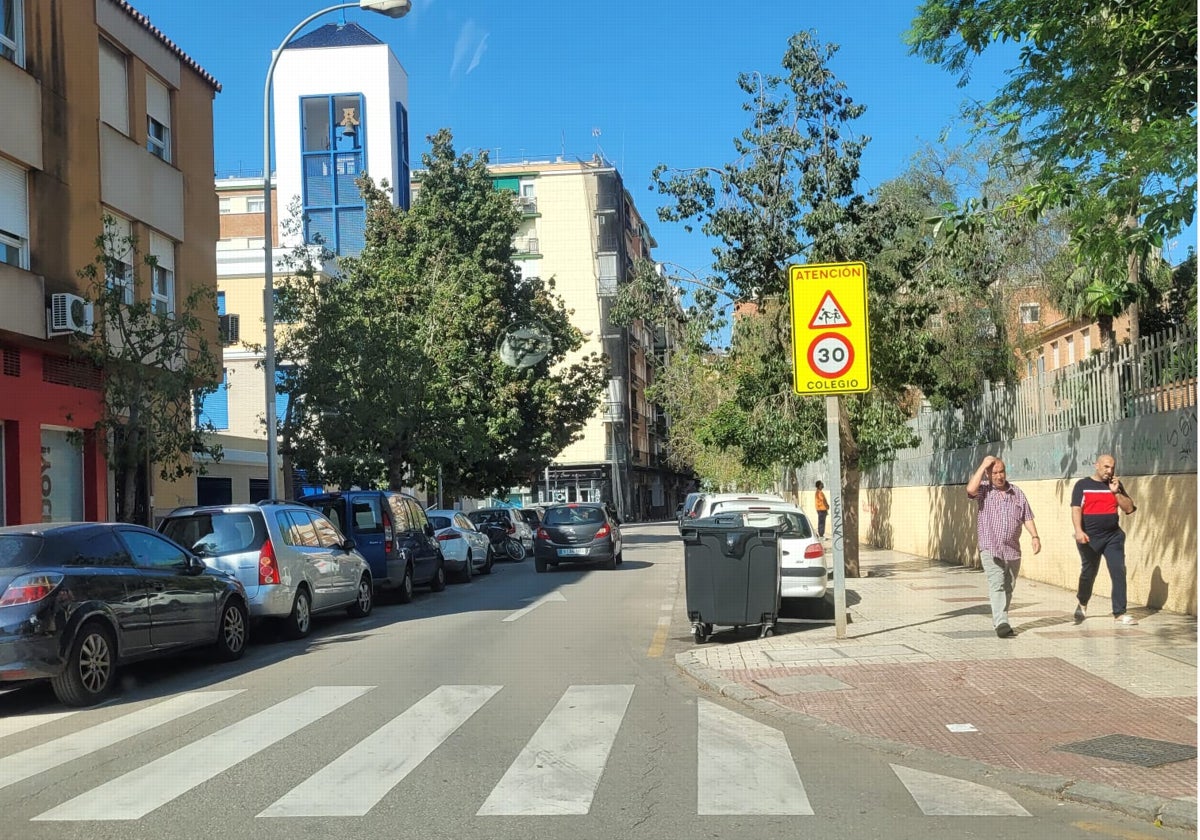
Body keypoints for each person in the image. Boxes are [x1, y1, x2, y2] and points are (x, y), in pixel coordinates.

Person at [966, 454, 1040, 638]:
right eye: (995, 473)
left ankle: (1001, 618)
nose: (999, 476)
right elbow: (970, 489)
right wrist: (984, 464)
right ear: (988, 475)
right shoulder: (984, 490)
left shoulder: (1016, 493)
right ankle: (1001, 622)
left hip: (1012, 550)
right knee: (997, 584)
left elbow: (1027, 516)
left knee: (1009, 587)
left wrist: (1035, 536)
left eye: (1002, 472)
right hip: (990, 547)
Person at [1071, 454, 1138, 626]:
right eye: (1106, 467)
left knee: (1118, 570)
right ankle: (1082, 602)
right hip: (1090, 537)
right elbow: (1076, 509)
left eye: (1112, 467)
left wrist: (1116, 493)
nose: (1110, 471)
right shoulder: (1083, 485)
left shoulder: (1115, 485)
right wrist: (1078, 531)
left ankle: (1120, 612)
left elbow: (1129, 508)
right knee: (1089, 572)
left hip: (1113, 537)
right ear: (1097, 465)